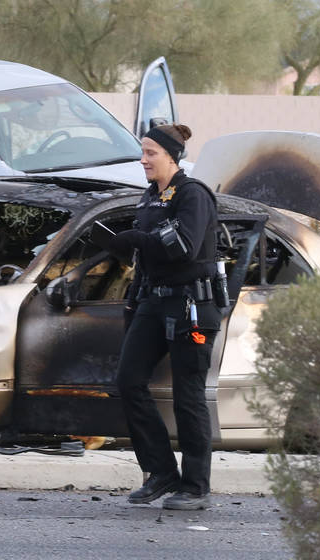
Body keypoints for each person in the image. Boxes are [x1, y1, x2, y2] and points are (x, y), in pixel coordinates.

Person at [107, 123, 220, 511]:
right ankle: (161, 472)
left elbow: (183, 247)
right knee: (128, 380)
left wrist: (137, 240)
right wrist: (133, 303)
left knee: (188, 395)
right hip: (153, 302)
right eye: (143, 152)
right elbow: (145, 261)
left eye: (151, 153)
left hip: (191, 305)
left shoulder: (193, 194)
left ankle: (196, 487)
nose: (143, 160)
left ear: (172, 156)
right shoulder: (150, 197)